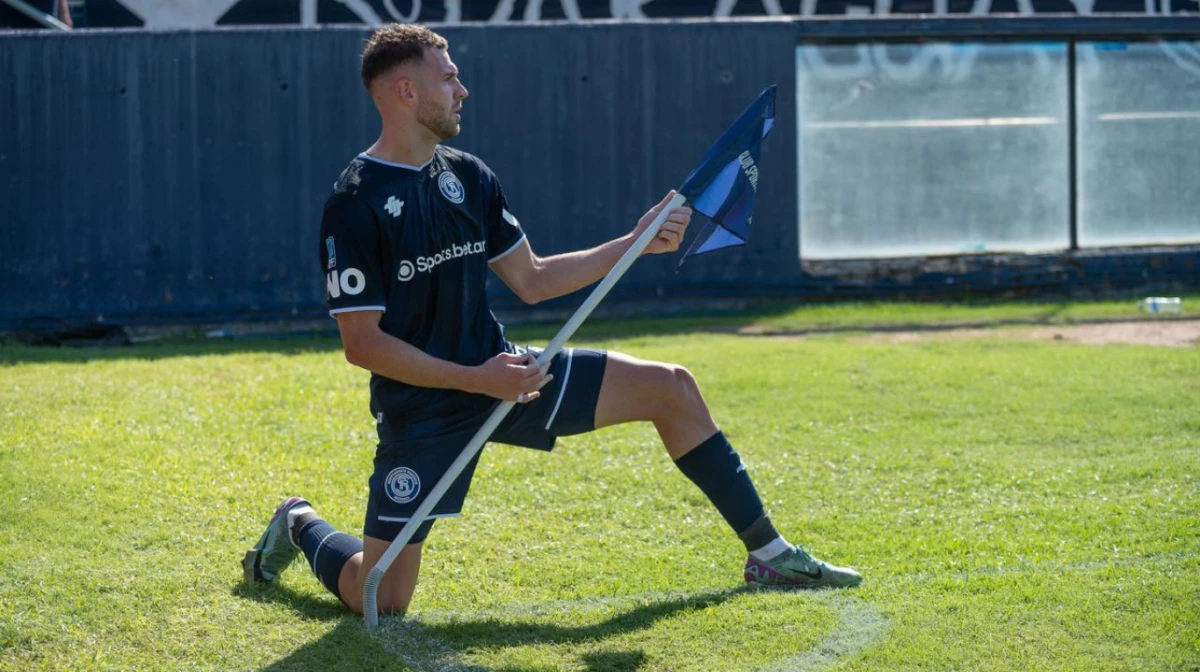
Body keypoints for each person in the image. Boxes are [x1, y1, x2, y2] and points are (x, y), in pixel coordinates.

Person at [243, 23, 861, 615]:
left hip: (511, 378)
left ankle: (770, 554)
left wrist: (635, 242)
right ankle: (298, 521)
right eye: (448, 77)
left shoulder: (468, 176)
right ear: (406, 91)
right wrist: (478, 380)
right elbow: (363, 345)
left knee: (672, 388)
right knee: (380, 598)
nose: (462, 89)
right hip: (424, 410)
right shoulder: (354, 203)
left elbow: (533, 280)